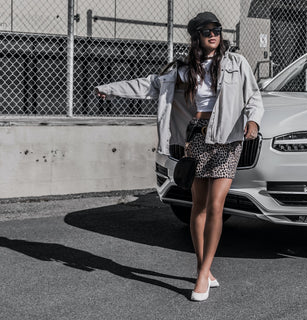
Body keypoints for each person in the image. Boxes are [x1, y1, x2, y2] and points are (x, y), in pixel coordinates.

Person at [94, 11, 264, 302]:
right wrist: (108, 89)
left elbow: (254, 98)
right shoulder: (183, 70)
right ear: (196, 36)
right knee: (198, 206)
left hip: (227, 141)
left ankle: (202, 273)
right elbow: (147, 85)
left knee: (216, 204)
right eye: (206, 30)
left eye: (217, 29)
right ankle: (204, 267)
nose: (213, 34)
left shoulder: (238, 63)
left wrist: (253, 121)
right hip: (195, 139)